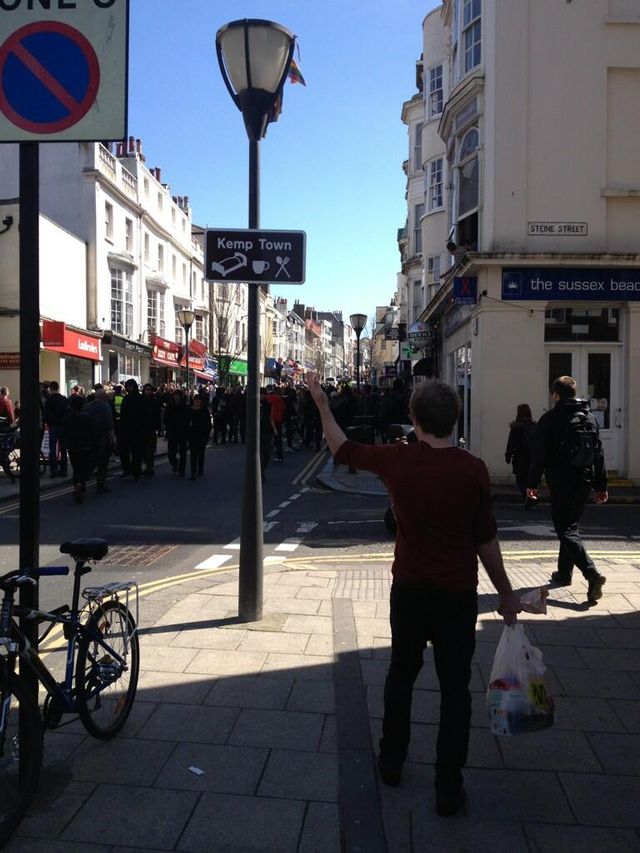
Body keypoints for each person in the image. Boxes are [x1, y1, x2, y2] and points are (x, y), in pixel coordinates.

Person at [307, 373, 520, 817]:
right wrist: (506, 594)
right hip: (457, 597)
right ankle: (447, 785)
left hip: (409, 592)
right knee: (455, 691)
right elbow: (486, 542)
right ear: (453, 420)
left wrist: (323, 405)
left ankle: (391, 760)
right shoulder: (474, 469)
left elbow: (342, 449)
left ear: (415, 420)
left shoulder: (398, 461)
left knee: (401, 676)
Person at [527, 375, 608, 604]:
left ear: (556, 394)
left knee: (565, 529)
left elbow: (539, 455)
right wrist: (601, 485)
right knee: (570, 524)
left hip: (561, 481)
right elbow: (599, 454)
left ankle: (592, 574)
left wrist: (532, 484)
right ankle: (564, 573)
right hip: (584, 480)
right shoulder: (589, 417)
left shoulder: (550, 419)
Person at [63, 395, 97, 503]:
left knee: (76, 469)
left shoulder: (68, 417)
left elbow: (65, 432)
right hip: (85, 446)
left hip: (72, 447)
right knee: (86, 468)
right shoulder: (87, 417)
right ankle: (80, 485)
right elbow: (93, 431)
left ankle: (78, 487)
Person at [505, 403, 537, 507]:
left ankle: (525, 495)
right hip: (532, 456)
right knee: (531, 479)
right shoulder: (534, 426)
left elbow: (511, 443)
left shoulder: (516, 427)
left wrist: (508, 456)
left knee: (521, 479)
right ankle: (532, 498)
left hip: (520, 456)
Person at [85, 387, 115, 493]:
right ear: (103, 397)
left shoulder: (88, 406)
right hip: (103, 438)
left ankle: (82, 482)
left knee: (91, 462)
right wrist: (113, 437)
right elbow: (109, 423)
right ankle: (100, 484)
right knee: (103, 463)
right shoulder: (105, 407)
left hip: (90, 438)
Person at [119, 378, 145, 480]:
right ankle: (126, 470)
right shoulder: (126, 398)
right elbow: (123, 414)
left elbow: (143, 414)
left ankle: (136, 472)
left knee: (136, 452)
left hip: (137, 429)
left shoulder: (140, 398)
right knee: (124, 452)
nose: (130, 388)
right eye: (128, 386)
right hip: (126, 429)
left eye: (131, 386)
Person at [44, 380, 69, 477]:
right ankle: (64, 470)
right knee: (63, 449)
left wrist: (48, 422)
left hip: (53, 426)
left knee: (52, 448)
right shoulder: (64, 399)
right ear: (58, 388)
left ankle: (53, 470)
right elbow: (67, 412)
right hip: (63, 426)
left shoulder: (49, 400)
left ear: (50, 388)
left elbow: (46, 414)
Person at [165, 389, 190, 476]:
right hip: (172, 432)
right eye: (175, 396)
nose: (176, 398)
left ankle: (182, 469)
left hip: (183, 432)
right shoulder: (170, 406)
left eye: (178, 396)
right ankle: (174, 463)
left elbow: (189, 419)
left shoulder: (186, 407)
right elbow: (166, 419)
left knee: (183, 452)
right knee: (171, 452)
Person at [188, 395, 212, 480]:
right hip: (193, 436)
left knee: (201, 454)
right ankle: (193, 473)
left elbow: (209, 424)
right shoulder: (190, 411)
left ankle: (200, 470)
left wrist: (207, 435)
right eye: (196, 400)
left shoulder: (205, 411)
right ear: (193, 401)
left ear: (201, 401)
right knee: (193, 455)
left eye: (198, 400)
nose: (197, 402)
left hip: (202, 436)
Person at [140, 383, 162, 477]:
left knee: (150, 449)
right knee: (143, 450)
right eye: (146, 389)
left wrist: (159, 428)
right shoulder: (140, 401)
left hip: (151, 429)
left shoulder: (154, 402)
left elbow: (158, 416)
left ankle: (149, 468)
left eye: (149, 389)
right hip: (142, 429)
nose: (148, 391)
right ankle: (147, 466)